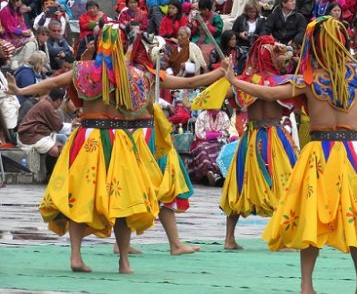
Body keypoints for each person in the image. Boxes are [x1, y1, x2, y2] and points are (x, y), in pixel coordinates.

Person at [6, 24, 229, 272]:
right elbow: (188, 84)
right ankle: (123, 261)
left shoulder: (83, 70)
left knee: (80, 197)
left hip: (87, 138)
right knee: (124, 200)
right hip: (118, 139)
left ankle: (76, 257)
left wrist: (21, 90)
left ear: (99, 42)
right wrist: (221, 73)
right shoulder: (135, 75)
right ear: (122, 45)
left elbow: (51, 83)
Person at [224, 17, 357, 293]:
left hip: (320, 153)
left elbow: (269, 93)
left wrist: (235, 80)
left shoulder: (308, 80)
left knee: (312, 217)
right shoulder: (355, 73)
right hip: (352, 152)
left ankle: (308, 285)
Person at [192, 36, 299, 249]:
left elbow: (222, 93)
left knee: (240, 184)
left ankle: (229, 239)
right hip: (274, 138)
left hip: (250, 139)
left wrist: (227, 75)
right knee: (286, 183)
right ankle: (282, 237)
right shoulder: (282, 82)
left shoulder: (244, 82)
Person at [16, 88, 65, 168]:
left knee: (61, 146)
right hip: (29, 135)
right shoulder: (47, 105)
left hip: (35, 133)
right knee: (55, 150)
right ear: (58, 101)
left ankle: (55, 173)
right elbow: (58, 126)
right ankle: (49, 175)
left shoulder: (45, 102)